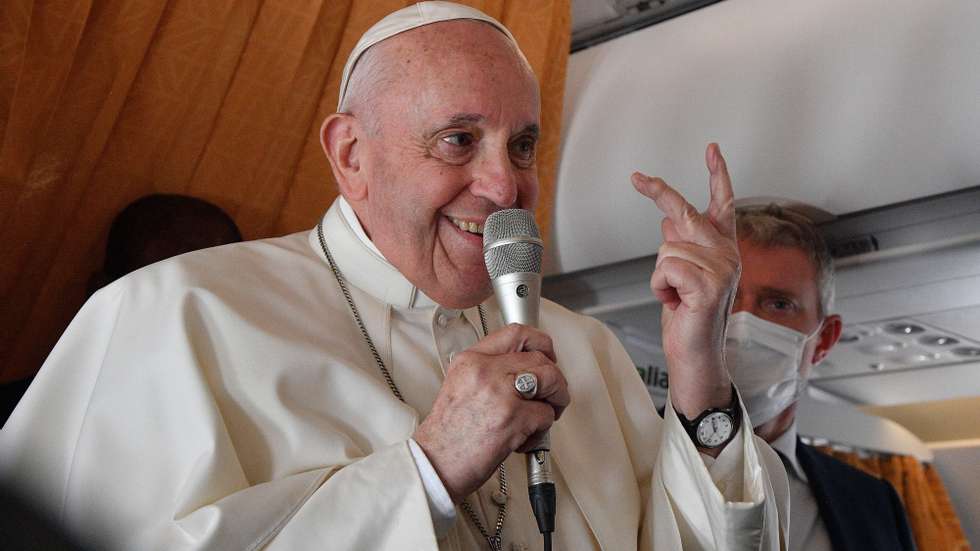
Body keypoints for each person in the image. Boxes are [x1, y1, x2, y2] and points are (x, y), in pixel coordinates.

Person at [1, 3, 786, 550]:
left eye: (522, 145)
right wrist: (428, 469)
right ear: (351, 155)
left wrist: (698, 373)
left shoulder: (587, 350)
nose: (505, 186)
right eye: (457, 140)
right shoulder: (174, 313)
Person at [727, 204, 916, 551]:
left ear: (824, 339)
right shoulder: (623, 459)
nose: (743, 325)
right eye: (727, 297)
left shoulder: (874, 504)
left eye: (778, 304)